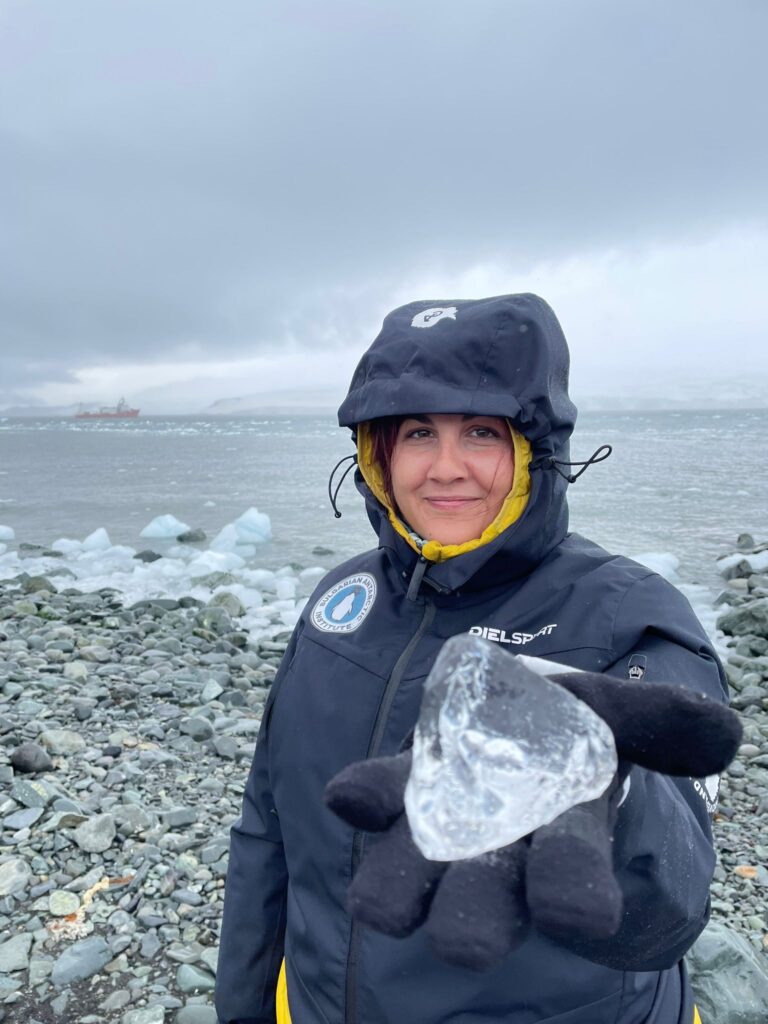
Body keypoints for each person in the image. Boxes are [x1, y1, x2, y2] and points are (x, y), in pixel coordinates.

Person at [215, 293, 727, 1024]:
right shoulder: (341, 603)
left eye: (482, 432)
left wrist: (604, 792)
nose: (446, 468)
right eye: (420, 431)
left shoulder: (628, 616)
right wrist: (244, 1007)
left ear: (534, 451)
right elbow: (268, 828)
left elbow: (672, 909)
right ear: (379, 450)